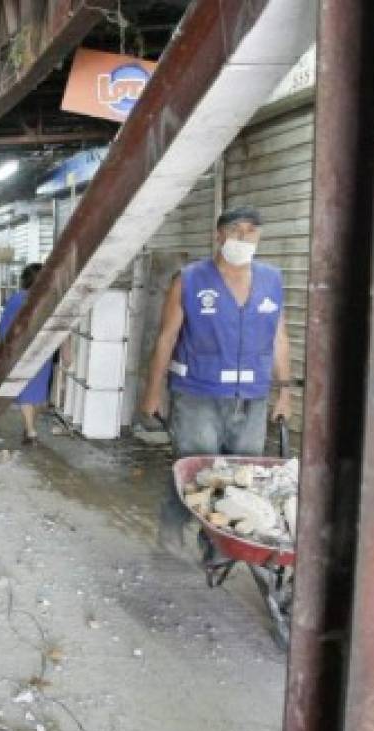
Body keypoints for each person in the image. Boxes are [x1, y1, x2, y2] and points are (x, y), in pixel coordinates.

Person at [139, 206, 292, 550]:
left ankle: (218, 546)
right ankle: (171, 531)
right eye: (237, 230)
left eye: (252, 232)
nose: (244, 238)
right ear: (218, 234)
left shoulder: (272, 280)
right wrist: (152, 392)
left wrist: (284, 393)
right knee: (195, 469)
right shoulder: (189, 279)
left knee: (242, 476)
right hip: (197, 394)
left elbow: (279, 337)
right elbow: (166, 337)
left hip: (252, 396)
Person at [0, 263, 52, 445]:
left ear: (25, 280)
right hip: (44, 350)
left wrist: (4, 349)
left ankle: (31, 431)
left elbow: (5, 327)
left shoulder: (17, 299)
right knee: (37, 392)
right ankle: (30, 429)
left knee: (25, 390)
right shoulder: (50, 299)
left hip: (22, 350)